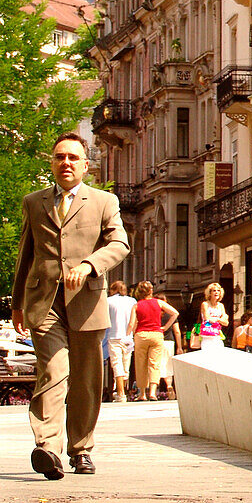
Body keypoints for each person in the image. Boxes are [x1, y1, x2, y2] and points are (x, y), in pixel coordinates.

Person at [12, 132, 130, 479]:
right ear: (52, 162)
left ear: (85, 165)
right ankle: (47, 447)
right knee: (53, 370)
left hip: (87, 301)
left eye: (73, 158)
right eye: (60, 157)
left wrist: (90, 264)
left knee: (86, 380)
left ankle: (81, 450)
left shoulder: (104, 202)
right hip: (43, 302)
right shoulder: (34, 202)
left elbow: (120, 243)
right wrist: (18, 302)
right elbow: (26, 254)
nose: (66, 163)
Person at [127, 281, 178, 402]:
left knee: (140, 364)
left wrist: (129, 334)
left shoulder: (137, 305)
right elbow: (175, 313)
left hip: (141, 335)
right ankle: (153, 393)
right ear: (151, 291)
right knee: (155, 364)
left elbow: (131, 323)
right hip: (156, 334)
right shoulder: (159, 303)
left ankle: (142, 394)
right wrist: (165, 327)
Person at [105, 282, 136, 402]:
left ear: (113, 290)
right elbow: (134, 319)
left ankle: (120, 393)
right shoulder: (132, 301)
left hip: (114, 335)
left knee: (116, 364)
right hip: (128, 336)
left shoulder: (108, 301)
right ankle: (122, 390)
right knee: (125, 364)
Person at [154, 292, 182, 399]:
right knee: (168, 366)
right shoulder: (170, 315)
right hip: (169, 342)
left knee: (155, 365)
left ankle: (154, 389)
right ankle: (169, 386)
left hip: (157, 340)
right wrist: (179, 347)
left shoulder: (154, 313)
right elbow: (177, 331)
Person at [199, 284, 229, 350]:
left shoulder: (221, 306)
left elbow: (226, 323)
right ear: (210, 293)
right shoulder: (205, 304)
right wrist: (220, 319)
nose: (216, 292)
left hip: (217, 334)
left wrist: (217, 319)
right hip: (207, 335)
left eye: (218, 291)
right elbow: (207, 318)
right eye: (214, 291)